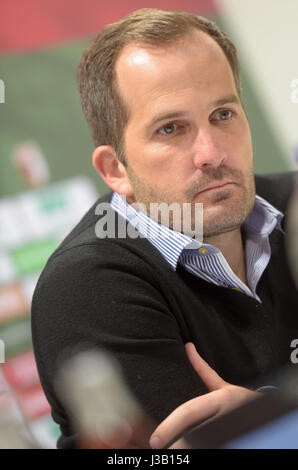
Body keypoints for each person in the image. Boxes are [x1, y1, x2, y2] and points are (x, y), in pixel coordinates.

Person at [31, 8, 298, 449]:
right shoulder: (88, 288)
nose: (211, 153)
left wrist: (258, 416)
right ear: (115, 169)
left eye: (223, 114)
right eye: (171, 128)